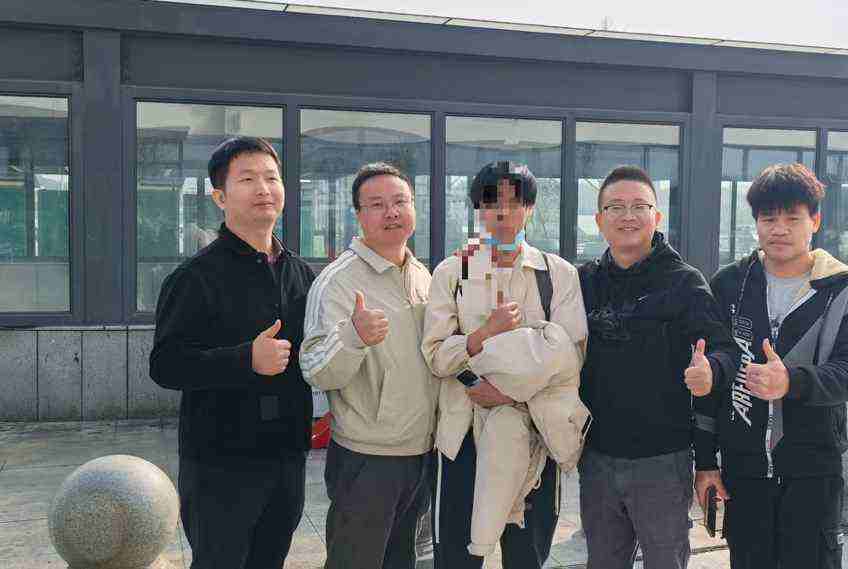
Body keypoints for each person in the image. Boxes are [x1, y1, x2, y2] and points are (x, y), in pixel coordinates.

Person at [694, 162, 848, 569]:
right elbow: (711, 383)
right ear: (756, 223)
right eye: (768, 218)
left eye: (792, 218)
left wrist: (791, 381)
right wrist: (705, 463)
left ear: (815, 221)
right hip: (743, 471)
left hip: (814, 470)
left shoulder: (844, 288)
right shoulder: (729, 284)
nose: (779, 229)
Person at [150, 136, 315, 569]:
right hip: (221, 461)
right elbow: (166, 364)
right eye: (247, 179)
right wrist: (246, 360)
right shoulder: (195, 277)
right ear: (220, 197)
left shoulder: (301, 273)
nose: (264, 188)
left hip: (287, 454)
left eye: (272, 178)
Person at [422, 161, 589, 568]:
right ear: (478, 209)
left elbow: (571, 357)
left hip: (535, 435)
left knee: (526, 557)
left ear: (530, 208)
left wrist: (509, 392)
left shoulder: (557, 274)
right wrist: (483, 335)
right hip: (463, 437)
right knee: (457, 557)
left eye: (515, 203)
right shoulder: (453, 271)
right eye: (492, 202)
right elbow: (436, 354)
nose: (503, 212)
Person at [577, 165, 739, 569]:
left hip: (662, 461)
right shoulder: (583, 282)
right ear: (599, 219)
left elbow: (725, 350)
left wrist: (711, 371)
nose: (627, 216)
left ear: (657, 216)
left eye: (639, 206)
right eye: (615, 207)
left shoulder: (684, 282)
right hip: (596, 458)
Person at [300, 162, 437, 569]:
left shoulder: (421, 275)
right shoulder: (338, 281)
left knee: (402, 560)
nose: (391, 212)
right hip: (368, 456)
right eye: (376, 204)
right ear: (358, 215)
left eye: (400, 202)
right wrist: (353, 337)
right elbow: (315, 369)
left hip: (420, 450)